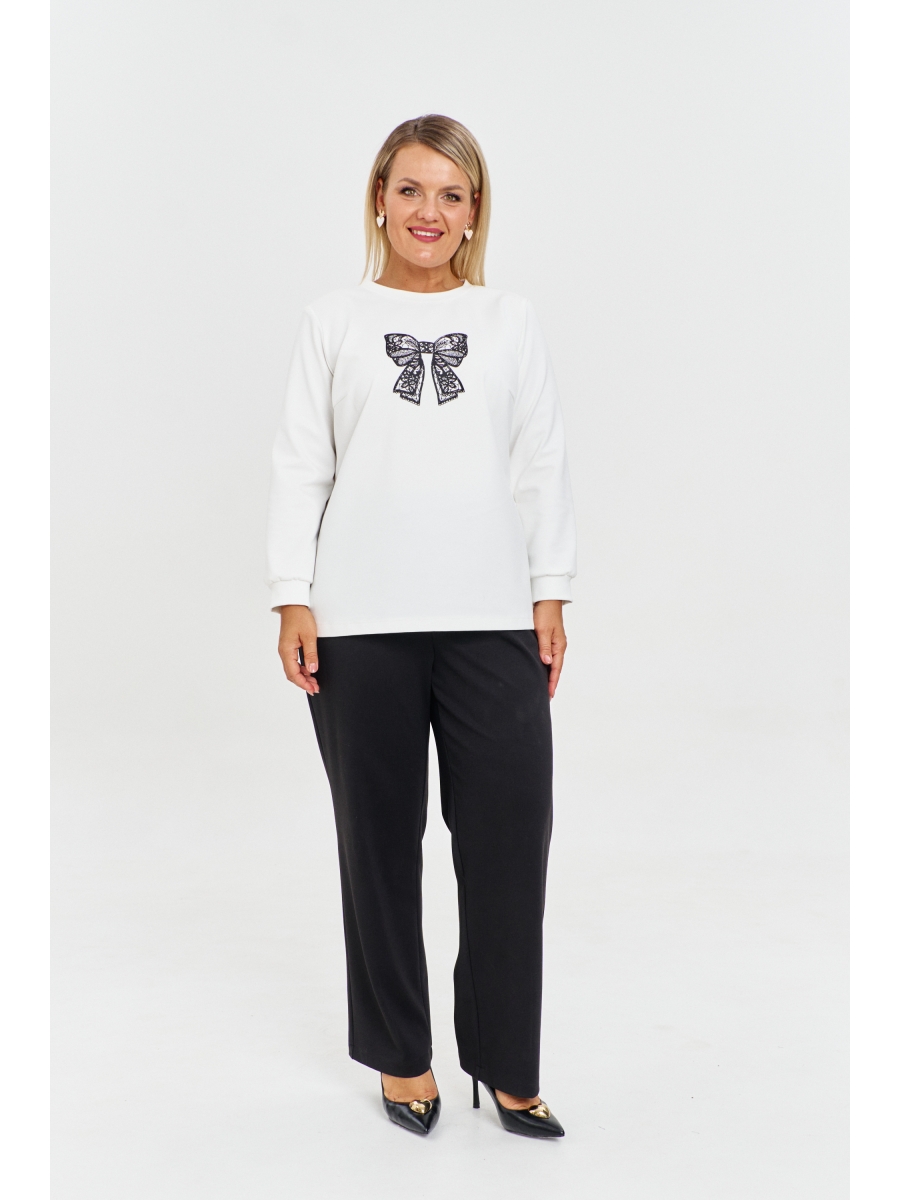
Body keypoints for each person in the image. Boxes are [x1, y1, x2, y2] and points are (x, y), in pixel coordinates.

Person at [266, 114, 576, 1139]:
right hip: (359, 625)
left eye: (450, 193)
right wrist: (292, 591)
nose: (428, 211)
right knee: (378, 845)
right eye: (409, 189)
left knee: (508, 844)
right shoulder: (334, 320)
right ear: (379, 199)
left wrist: (549, 590)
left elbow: (540, 461)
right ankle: (402, 1055)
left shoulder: (510, 320)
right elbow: (302, 460)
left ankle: (507, 1060)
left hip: (491, 618)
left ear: (474, 210)